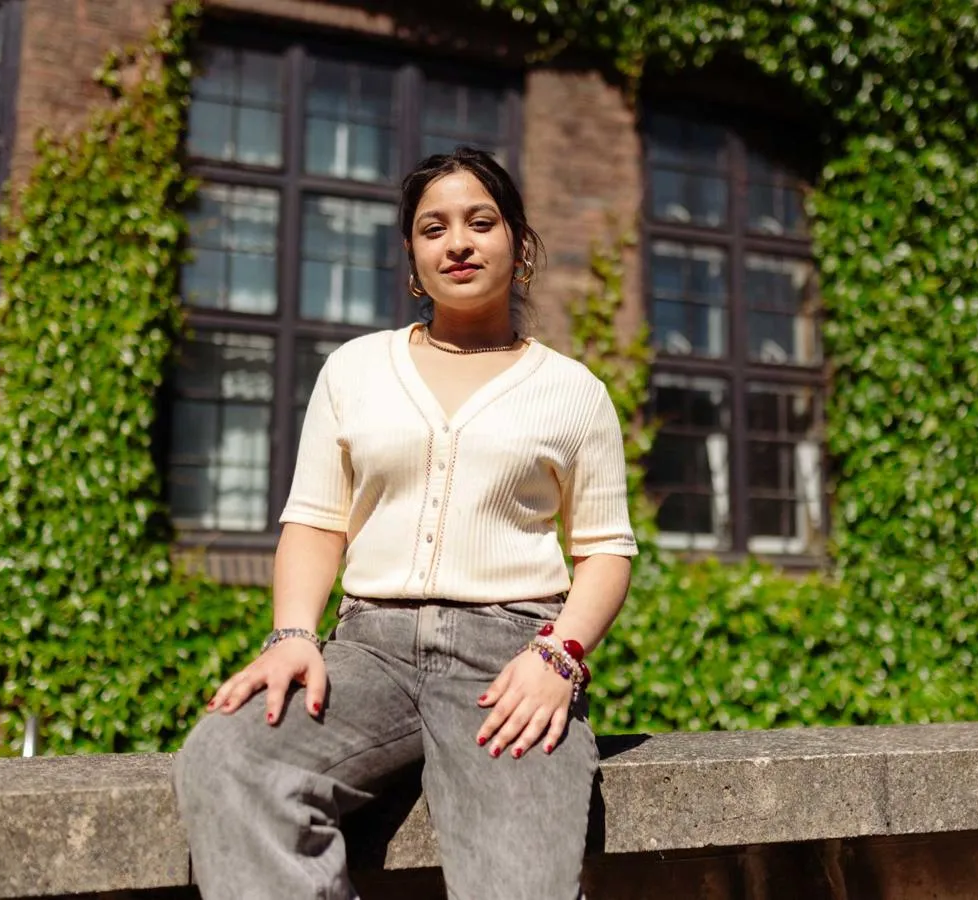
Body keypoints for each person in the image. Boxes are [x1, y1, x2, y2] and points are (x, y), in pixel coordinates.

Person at [173, 146, 637, 900]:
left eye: (479, 222)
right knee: (229, 759)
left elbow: (605, 549)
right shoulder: (354, 370)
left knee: (519, 887)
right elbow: (317, 522)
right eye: (433, 229)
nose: (457, 242)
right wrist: (293, 634)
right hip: (367, 654)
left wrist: (559, 657)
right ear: (412, 259)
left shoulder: (571, 391)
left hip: (508, 663)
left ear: (517, 246)